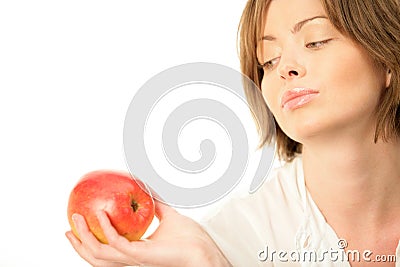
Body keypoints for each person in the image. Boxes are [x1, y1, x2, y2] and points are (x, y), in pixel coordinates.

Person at [66, 0, 400, 266]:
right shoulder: (231, 238)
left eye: (315, 41)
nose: (285, 69)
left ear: (386, 59)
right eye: (268, 60)